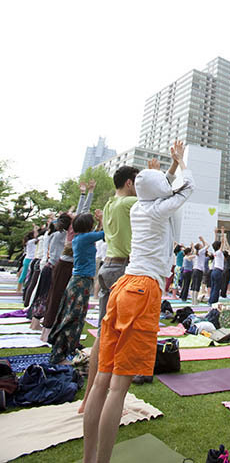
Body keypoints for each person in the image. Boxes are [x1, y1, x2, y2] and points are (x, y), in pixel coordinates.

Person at [83, 141, 194, 463]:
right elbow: (187, 186)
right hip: (142, 290)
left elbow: (155, 190)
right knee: (118, 387)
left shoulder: (137, 206)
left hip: (122, 285)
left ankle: (90, 459)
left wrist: (165, 171)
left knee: (102, 381)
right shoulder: (156, 208)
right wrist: (179, 163)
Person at [78, 165, 138, 414]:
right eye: (138, 181)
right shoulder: (128, 203)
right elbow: (159, 198)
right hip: (122, 270)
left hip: (107, 268)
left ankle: (88, 398)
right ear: (128, 183)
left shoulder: (112, 204)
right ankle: (113, 401)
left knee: (103, 335)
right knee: (124, 337)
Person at [48, 209, 104, 364]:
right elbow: (105, 233)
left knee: (73, 316)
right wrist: (104, 218)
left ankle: (64, 350)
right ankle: (58, 355)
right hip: (81, 282)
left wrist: (99, 221)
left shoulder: (80, 238)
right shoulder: (85, 238)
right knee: (72, 317)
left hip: (78, 281)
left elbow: (97, 233)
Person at [42, 183, 95, 342]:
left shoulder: (74, 228)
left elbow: (83, 210)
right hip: (65, 266)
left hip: (67, 265)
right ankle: (46, 332)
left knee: (59, 298)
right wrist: (87, 193)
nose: (75, 215)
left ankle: (52, 331)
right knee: (56, 297)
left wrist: (85, 193)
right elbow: (83, 210)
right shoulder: (75, 227)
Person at [208, 232, 225, 305]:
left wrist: (215, 234)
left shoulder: (215, 252)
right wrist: (223, 233)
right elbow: (222, 243)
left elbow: (215, 244)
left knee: (213, 286)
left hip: (214, 271)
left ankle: (211, 300)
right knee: (216, 288)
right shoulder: (219, 252)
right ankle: (213, 302)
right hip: (218, 271)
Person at [191, 236, 208, 305]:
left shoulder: (198, 252)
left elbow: (205, 246)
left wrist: (202, 242)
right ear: (199, 247)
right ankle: (195, 302)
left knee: (194, 285)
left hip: (194, 269)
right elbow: (207, 245)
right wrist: (203, 240)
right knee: (197, 285)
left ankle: (193, 300)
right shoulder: (201, 251)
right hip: (199, 270)